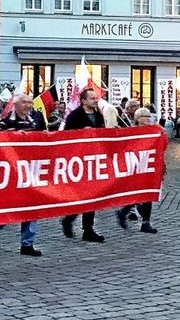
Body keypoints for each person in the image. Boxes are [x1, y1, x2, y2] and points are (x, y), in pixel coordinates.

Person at [0, 93, 46, 256]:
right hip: (12, 171)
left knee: (32, 206)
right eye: (24, 102)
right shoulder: (5, 121)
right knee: (11, 205)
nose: (28, 105)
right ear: (16, 104)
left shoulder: (35, 120)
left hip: (31, 169)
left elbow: (44, 139)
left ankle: (27, 244)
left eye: (30, 103)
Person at [61, 88, 106, 243]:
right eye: (92, 98)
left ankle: (88, 229)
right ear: (84, 100)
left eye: (96, 97)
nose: (95, 100)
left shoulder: (99, 114)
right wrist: (81, 133)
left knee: (92, 195)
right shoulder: (74, 116)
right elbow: (66, 137)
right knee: (81, 194)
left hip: (95, 159)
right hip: (78, 160)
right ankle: (69, 218)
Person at [115, 108, 163, 234]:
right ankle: (124, 211)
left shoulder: (153, 131)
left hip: (149, 167)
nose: (147, 119)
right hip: (137, 167)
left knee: (148, 194)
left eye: (148, 116)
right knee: (139, 194)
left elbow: (160, 147)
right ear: (138, 119)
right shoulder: (132, 132)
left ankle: (145, 222)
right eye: (144, 116)